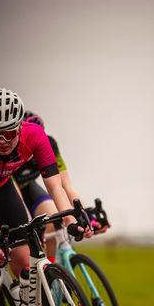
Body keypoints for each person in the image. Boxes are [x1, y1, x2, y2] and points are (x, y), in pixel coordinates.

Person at [0, 88, 90, 306]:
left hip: (0, 187)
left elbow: (55, 188)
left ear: (20, 127)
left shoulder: (36, 136)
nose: (2, 141)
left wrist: (71, 223)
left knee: (24, 260)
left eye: (9, 133)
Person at [12, 110, 109, 262]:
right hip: (10, 192)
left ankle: (51, 273)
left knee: (55, 218)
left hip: (28, 188)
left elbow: (65, 186)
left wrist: (85, 216)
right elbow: (17, 198)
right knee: (26, 233)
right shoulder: (10, 151)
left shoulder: (48, 145)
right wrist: (29, 227)